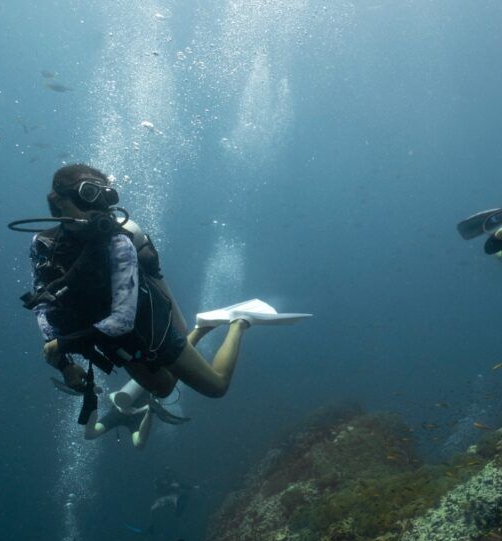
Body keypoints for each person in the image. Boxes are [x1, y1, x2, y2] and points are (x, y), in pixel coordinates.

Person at [21, 164, 307, 414]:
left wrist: (64, 345)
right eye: (88, 197)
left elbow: (123, 320)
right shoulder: (43, 244)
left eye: (105, 199)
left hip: (148, 328)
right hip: (109, 339)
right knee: (164, 388)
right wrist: (65, 364)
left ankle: (240, 321)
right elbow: (43, 303)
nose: (99, 210)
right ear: (58, 201)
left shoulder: (118, 243)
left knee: (216, 386)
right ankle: (204, 326)